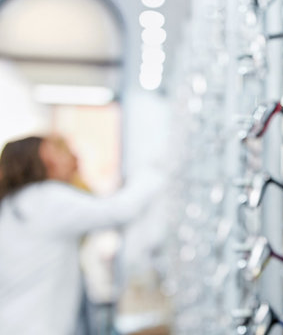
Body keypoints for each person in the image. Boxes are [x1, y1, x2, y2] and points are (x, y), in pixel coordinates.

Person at [0, 135, 163, 335]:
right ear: (42, 161)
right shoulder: (48, 200)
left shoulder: (12, 205)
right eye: (58, 153)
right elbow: (118, 210)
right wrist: (157, 170)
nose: (72, 159)